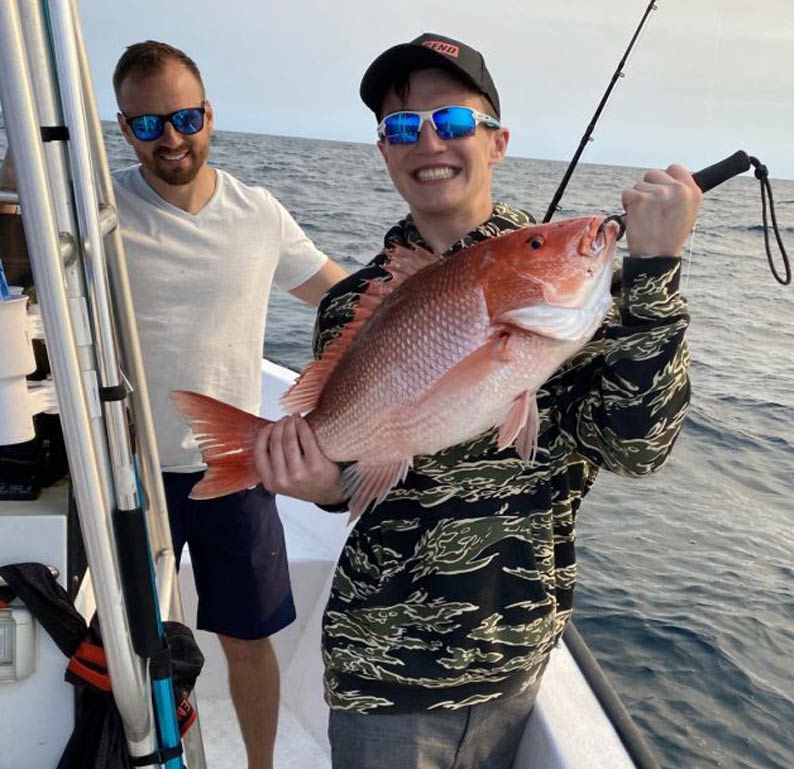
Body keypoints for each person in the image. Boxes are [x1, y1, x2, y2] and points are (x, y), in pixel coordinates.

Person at [253, 33, 700, 769]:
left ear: (496, 142)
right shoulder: (353, 304)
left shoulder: (582, 291)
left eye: (454, 122)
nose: (428, 140)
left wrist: (655, 269)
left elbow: (637, 447)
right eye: (403, 127)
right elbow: (352, 473)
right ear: (385, 152)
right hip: (385, 669)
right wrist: (318, 483)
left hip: (517, 661)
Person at [0, 40, 348, 769]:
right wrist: (23, 152)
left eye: (184, 117)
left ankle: (259, 765)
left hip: (237, 469)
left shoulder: (260, 213)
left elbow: (344, 302)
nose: (172, 138)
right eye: (148, 124)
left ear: (209, 113)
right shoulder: (94, 212)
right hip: (122, 470)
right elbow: (4, 254)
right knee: (112, 642)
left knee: (248, 640)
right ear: (123, 130)